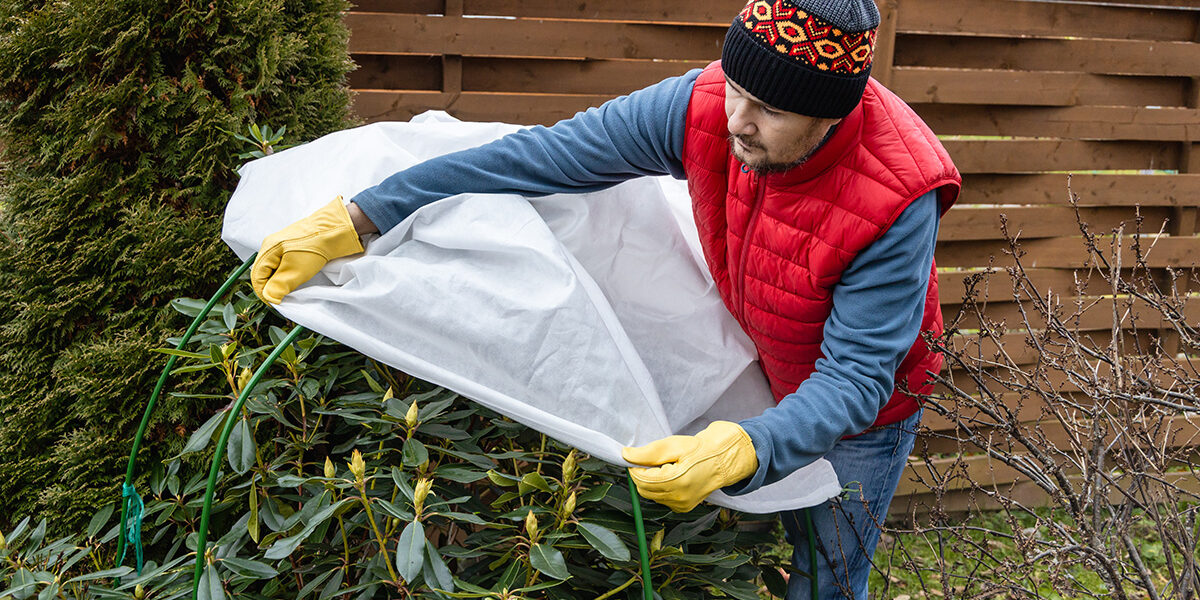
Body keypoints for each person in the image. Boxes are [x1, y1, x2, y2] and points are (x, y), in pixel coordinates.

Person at [251, 0, 960, 596]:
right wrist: (368, 213)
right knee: (741, 563)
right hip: (766, 360)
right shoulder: (705, 105)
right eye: (737, 88)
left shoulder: (897, 193)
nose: (737, 119)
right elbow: (543, 157)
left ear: (830, 115)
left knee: (825, 576)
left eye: (768, 109)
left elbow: (855, 377)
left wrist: (752, 445)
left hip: (862, 416)